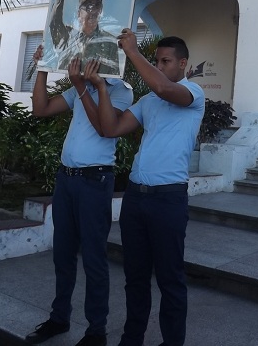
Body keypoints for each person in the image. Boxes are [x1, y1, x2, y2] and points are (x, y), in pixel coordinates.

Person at [89, 31, 205, 346]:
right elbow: (110, 128)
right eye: (157, 61)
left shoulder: (192, 92)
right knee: (135, 278)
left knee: (170, 279)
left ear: (183, 63)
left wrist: (132, 53)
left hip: (168, 200)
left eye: (166, 61)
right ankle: (132, 339)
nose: (160, 66)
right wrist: (99, 87)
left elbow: (163, 86)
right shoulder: (148, 101)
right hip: (136, 198)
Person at [25, 45, 133, 346]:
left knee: (94, 259)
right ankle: (59, 318)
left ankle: (96, 330)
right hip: (67, 180)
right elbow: (41, 108)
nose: (89, 58)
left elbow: (104, 128)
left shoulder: (122, 91)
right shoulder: (80, 87)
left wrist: (87, 87)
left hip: (94, 181)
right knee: (62, 254)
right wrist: (43, 69)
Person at [47, 0, 120, 75]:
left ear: (100, 10)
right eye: (88, 6)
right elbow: (54, 23)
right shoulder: (68, 36)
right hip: (71, 90)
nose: (92, 11)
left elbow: (113, 77)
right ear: (78, 13)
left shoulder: (110, 41)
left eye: (96, 5)